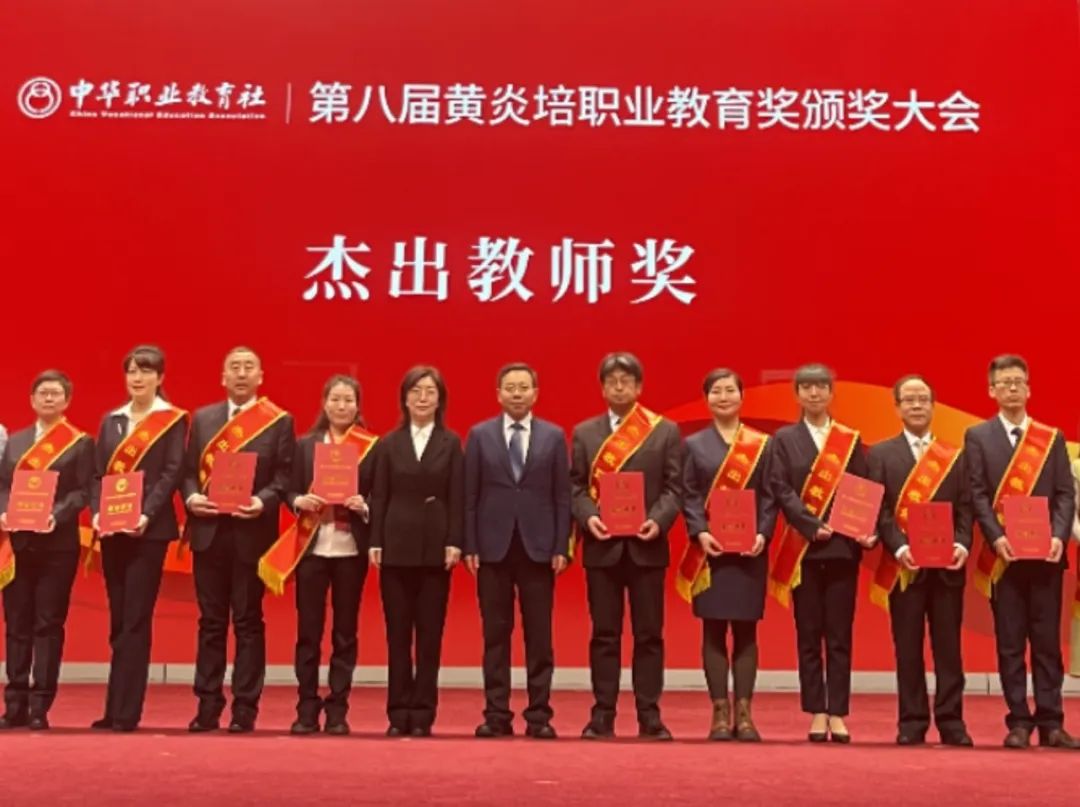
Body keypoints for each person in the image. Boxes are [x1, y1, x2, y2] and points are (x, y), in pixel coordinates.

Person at [964, 354, 1079, 748]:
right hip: (1004, 558)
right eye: (1004, 382)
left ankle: (1052, 722)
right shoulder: (978, 437)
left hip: (1047, 557)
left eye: (1018, 382)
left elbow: (1065, 494)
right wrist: (996, 537)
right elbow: (977, 494)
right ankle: (1018, 722)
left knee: (1046, 643)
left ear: (1029, 389)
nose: (1012, 388)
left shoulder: (1051, 438)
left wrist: (1059, 536)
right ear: (991, 390)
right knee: (1010, 643)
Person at [181, 346, 295, 733]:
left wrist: (261, 502)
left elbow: (284, 477)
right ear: (223, 377)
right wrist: (191, 498)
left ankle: (245, 707)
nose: (241, 373)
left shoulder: (278, 421)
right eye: (235, 367)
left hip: (251, 533)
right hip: (209, 533)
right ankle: (207, 704)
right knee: (210, 623)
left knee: (248, 622)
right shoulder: (203, 418)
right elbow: (187, 472)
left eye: (249, 367)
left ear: (260, 376)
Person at [570, 352, 683, 741]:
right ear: (602, 388)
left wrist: (658, 520)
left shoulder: (664, 431)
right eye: (612, 381)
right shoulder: (585, 433)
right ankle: (602, 714)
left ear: (639, 387)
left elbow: (674, 487)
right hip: (602, 548)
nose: (619, 387)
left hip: (646, 547)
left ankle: (649, 715)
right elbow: (575, 487)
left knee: (649, 635)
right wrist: (589, 517)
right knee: (605, 635)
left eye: (626, 381)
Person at [768, 363, 874, 743]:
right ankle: (816, 710)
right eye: (807, 387)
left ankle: (838, 712)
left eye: (821, 387)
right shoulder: (784, 439)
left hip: (843, 547)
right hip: (804, 550)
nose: (814, 394)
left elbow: (861, 487)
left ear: (831, 392)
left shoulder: (849, 439)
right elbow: (780, 488)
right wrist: (811, 524)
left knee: (840, 634)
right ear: (797, 394)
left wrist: (859, 527)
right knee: (809, 633)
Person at [464, 362, 570, 740]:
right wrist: (470, 544)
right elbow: (470, 496)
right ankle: (496, 714)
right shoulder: (479, 435)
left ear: (535, 393)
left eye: (524, 387)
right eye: (510, 387)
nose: (517, 393)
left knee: (539, 637)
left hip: (538, 548)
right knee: (496, 636)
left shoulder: (553, 437)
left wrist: (561, 545)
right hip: (492, 548)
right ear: (498, 393)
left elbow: (562, 496)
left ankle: (539, 715)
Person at [268, 375, 377, 736]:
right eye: (335, 399)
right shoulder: (306, 445)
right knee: (309, 632)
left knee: (345, 632)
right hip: (312, 549)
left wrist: (365, 505)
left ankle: (338, 709)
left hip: (350, 550)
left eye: (348, 400)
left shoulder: (370, 447)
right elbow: (288, 489)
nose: (341, 406)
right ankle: (306, 706)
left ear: (357, 406)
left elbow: (380, 493)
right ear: (324, 403)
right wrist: (298, 500)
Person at [868, 374, 973, 746]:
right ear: (897, 408)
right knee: (908, 648)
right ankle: (911, 721)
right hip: (904, 569)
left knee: (949, 649)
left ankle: (951, 721)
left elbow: (966, 508)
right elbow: (880, 511)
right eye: (909, 400)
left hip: (947, 569)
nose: (917, 405)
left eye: (923, 399)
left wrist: (962, 544)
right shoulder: (880, 454)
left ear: (933, 406)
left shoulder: (955, 456)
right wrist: (899, 548)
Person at [89, 345, 188, 732]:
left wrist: (146, 513)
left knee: (136, 618)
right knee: (118, 619)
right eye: (131, 371)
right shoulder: (112, 420)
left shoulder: (171, 419)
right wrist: (97, 512)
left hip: (149, 532)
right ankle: (113, 708)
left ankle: (128, 711)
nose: (137, 378)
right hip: (113, 530)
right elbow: (98, 474)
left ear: (160, 378)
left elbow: (172, 471)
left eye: (145, 371)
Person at [681, 368, 776, 741]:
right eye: (716, 391)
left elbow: (770, 495)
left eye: (730, 390)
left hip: (750, 550)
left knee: (747, 631)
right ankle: (720, 712)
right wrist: (700, 532)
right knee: (713, 629)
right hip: (712, 553)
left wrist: (762, 533)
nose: (723, 397)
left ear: (741, 396)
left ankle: (745, 713)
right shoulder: (693, 445)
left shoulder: (762, 445)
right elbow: (689, 494)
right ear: (707, 399)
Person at [369, 365, 463, 737]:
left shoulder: (451, 442)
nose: (422, 398)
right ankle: (397, 713)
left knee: (429, 636)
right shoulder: (388, 443)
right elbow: (379, 495)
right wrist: (375, 540)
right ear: (404, 399)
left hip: (436, 549)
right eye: (416, 391)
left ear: (440, 400)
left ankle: (423, 713)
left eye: (430, 392)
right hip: (395, 545)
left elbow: (458, 495)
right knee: (397, 636)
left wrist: (455, 540)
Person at [0, 369, 93, 730]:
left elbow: (83, 490)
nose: (49, 398)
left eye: (56, 393)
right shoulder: (15, 442)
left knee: (48, 624)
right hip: (19, 544)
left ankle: (41, 705)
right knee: (16, 625)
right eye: (43, 393)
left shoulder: (80, 443)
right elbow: (3, 486)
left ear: (66, 400)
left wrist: (57, 514)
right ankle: (14, 704)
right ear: (32, 400)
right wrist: (3, 511)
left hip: (57, 545)